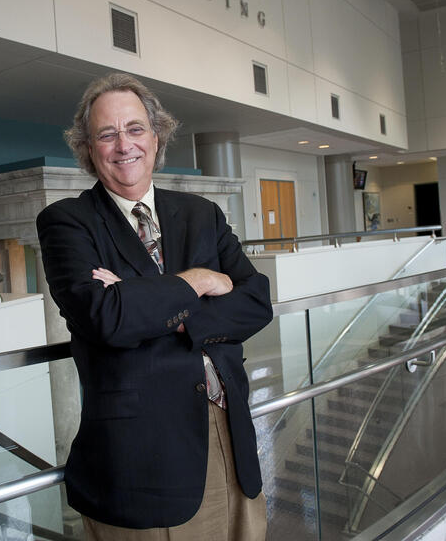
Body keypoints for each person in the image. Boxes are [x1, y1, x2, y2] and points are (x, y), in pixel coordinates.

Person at [36, 72, 273, 540]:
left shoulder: (201, 213)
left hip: (231, 436)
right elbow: (108, 318)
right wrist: (198, 280)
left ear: (157, 135)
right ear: (89, 147)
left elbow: (256, 300)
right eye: (107, 133)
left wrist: (149, 304)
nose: (124, 144)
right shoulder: (67, 223)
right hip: (140, 463)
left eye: (135, 128)